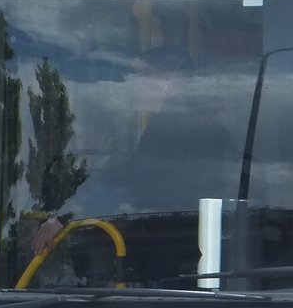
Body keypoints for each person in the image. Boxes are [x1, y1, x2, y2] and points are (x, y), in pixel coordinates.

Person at [30, 44, 234, 255]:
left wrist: (66, 216)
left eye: (145, 76)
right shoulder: (207, 127)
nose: (136, 85)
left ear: (170, 81)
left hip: (166, 247)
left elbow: (125, 178)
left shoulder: (170, 129)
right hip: (189, 243)